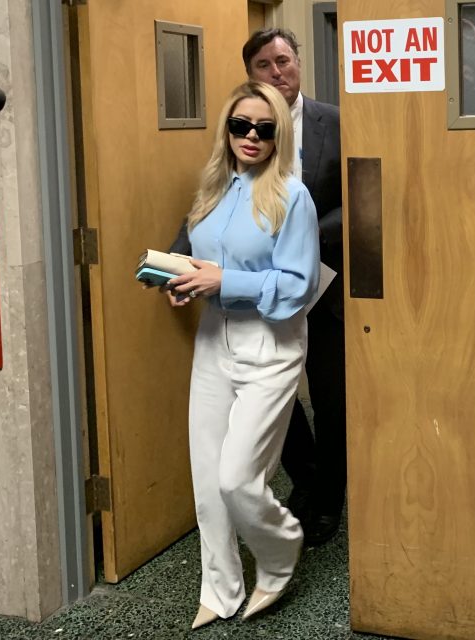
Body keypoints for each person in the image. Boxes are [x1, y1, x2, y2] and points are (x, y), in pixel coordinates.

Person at [169, 27, 346, 547]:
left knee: (331, 398)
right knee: (276, 401)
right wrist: (180, 256)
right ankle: (308, 482)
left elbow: (361, 193)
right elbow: (213, 196)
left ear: (298, 63)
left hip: (321, 285)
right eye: (265, 65)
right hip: (248, 295)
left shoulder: (334, 122)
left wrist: (309, 230)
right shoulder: (243, 127)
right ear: (252, 75)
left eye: (284, 60)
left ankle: (329, 500)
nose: (278, 72)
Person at [165, 81, 320, 630]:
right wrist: (180, 280)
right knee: (208, 481)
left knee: (237, 478)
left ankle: (279, 553)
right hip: (213, 339)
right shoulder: (212, 189)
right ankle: (220, 588)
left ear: (280, 134)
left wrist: (224, 279)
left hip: (270, 345)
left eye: (265, 128)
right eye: (240, 126)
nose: (251, 137)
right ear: (226, 130)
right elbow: (196, 257)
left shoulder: (291, 196)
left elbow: (298, 285)